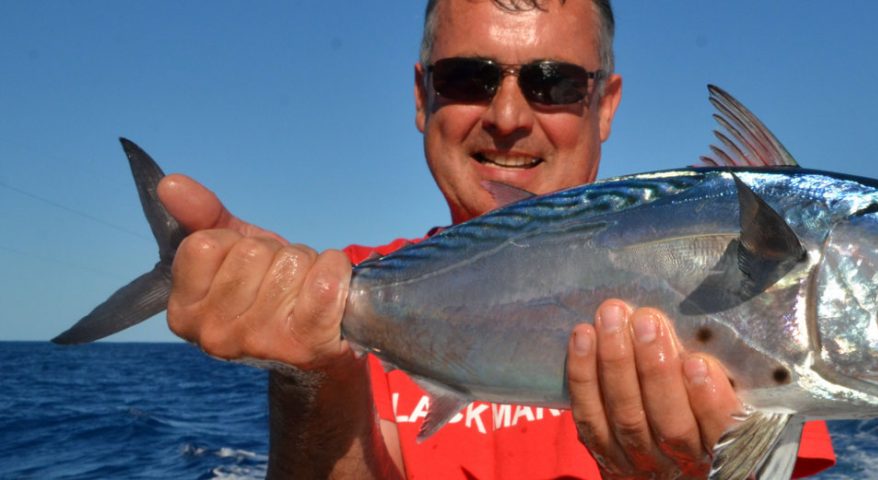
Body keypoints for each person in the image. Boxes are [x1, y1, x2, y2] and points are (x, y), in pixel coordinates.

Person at [156, 0, 835, 478]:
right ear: (421, 97)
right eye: (468, 78)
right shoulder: (341, 295)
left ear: (606, 105)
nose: (508, 117)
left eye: (554, 83)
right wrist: (310, 377)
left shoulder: (742, 292)